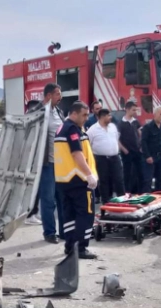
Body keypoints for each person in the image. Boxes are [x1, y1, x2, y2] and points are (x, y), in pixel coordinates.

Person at [55, 101, 98, 259]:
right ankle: (80, 248)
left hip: (64, 180)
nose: (87, 118)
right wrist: (88, 174)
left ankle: (70, 247)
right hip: (78, 179)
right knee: (86, 214)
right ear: (74, 113)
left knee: (70, 215)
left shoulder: (62, 128)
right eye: (84, 115)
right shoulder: (72, 129)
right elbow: (76, 154)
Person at [24, 83, 64, 244]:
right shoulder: (36, 112)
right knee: (48, 200)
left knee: (61, 199)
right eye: (57, 95)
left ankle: (64, 231)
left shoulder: (59, 112)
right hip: (46, 163)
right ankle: (49, 232)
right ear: (48, 96)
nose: (60, 98)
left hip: (61, 163)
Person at [87, 108, 124, 203]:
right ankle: (106, 202)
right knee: (104, 181)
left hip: (115, 158)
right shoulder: (93, 129)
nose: (110, 117)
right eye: (108, 116)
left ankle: (123, 201)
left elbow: (116, 139)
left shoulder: (113, 127)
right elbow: (87, 144)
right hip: (101, 159)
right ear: (102, 117)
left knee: (118, 180)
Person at [140, 106, 161, 192]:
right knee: (148, 181)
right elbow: (143, 142)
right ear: (155, 114)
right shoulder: (147, 127)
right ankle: (146, 201)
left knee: (160, 180)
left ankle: (159, 200)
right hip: (151, 157)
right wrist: (147, 156)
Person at [118, 101, 143, 194]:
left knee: (140, 172)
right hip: (127, 152)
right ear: (127, 109)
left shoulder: (135, 121)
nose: (135, 112)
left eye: (136, 110)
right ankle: (127, 192)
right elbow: (117, 138)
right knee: (127, 172)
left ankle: (140, 192)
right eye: (133, 110)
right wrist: (124, 150)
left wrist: (141, 145)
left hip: (137, 150)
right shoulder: (121, 123)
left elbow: (140, 133)